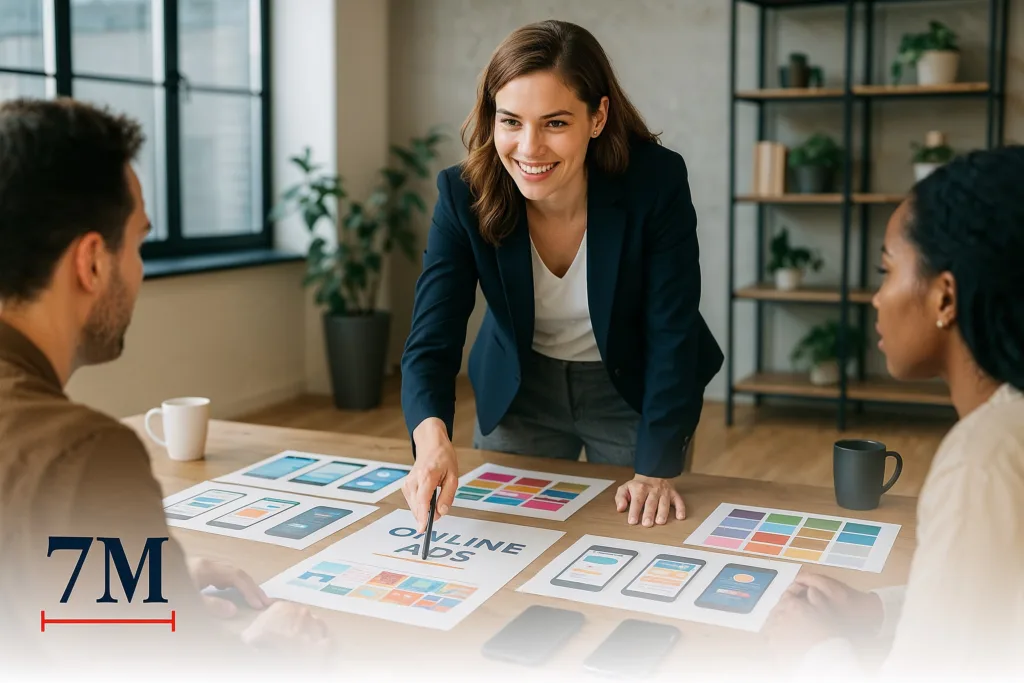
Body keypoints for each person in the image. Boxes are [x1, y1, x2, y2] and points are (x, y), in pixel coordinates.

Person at [0, 98, 332, 676]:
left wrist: (149, 581)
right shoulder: (82, 454)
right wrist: (271, 648)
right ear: (92, 262)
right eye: (138, 243)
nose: (140, 270)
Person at [399, 20, 723, 532]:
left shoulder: (655, 182)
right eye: (511, 121)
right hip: (521, 387)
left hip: (632, 385)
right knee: (508, 535)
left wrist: (655, 470)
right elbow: (431, 337)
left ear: (598, 117)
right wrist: (431, 438)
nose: (529, 148)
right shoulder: (463, 195)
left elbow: (673, 330)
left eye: (554, 123)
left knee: (639, 533)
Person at [765, 146, 1024, 681]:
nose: (876, 298)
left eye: (886, 271)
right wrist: (879, 610)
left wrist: (815, 651)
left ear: (945, 298)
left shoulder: (982, 460)